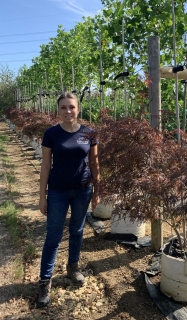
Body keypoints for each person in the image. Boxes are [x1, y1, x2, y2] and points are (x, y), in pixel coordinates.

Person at [37, 92, 100, 308]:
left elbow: (94, 163)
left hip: (83, 190)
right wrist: (42, 195)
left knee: (77, 230)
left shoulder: (89, 133)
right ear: (58, 110)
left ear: (78, 109)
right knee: (53, 236)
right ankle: (45, 281)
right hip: (57, 191)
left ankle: (73, 267)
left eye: (71, 107)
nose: (68, 111)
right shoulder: (51, 134)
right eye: (63, 107)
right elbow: (45, 166)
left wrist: (97, 191)